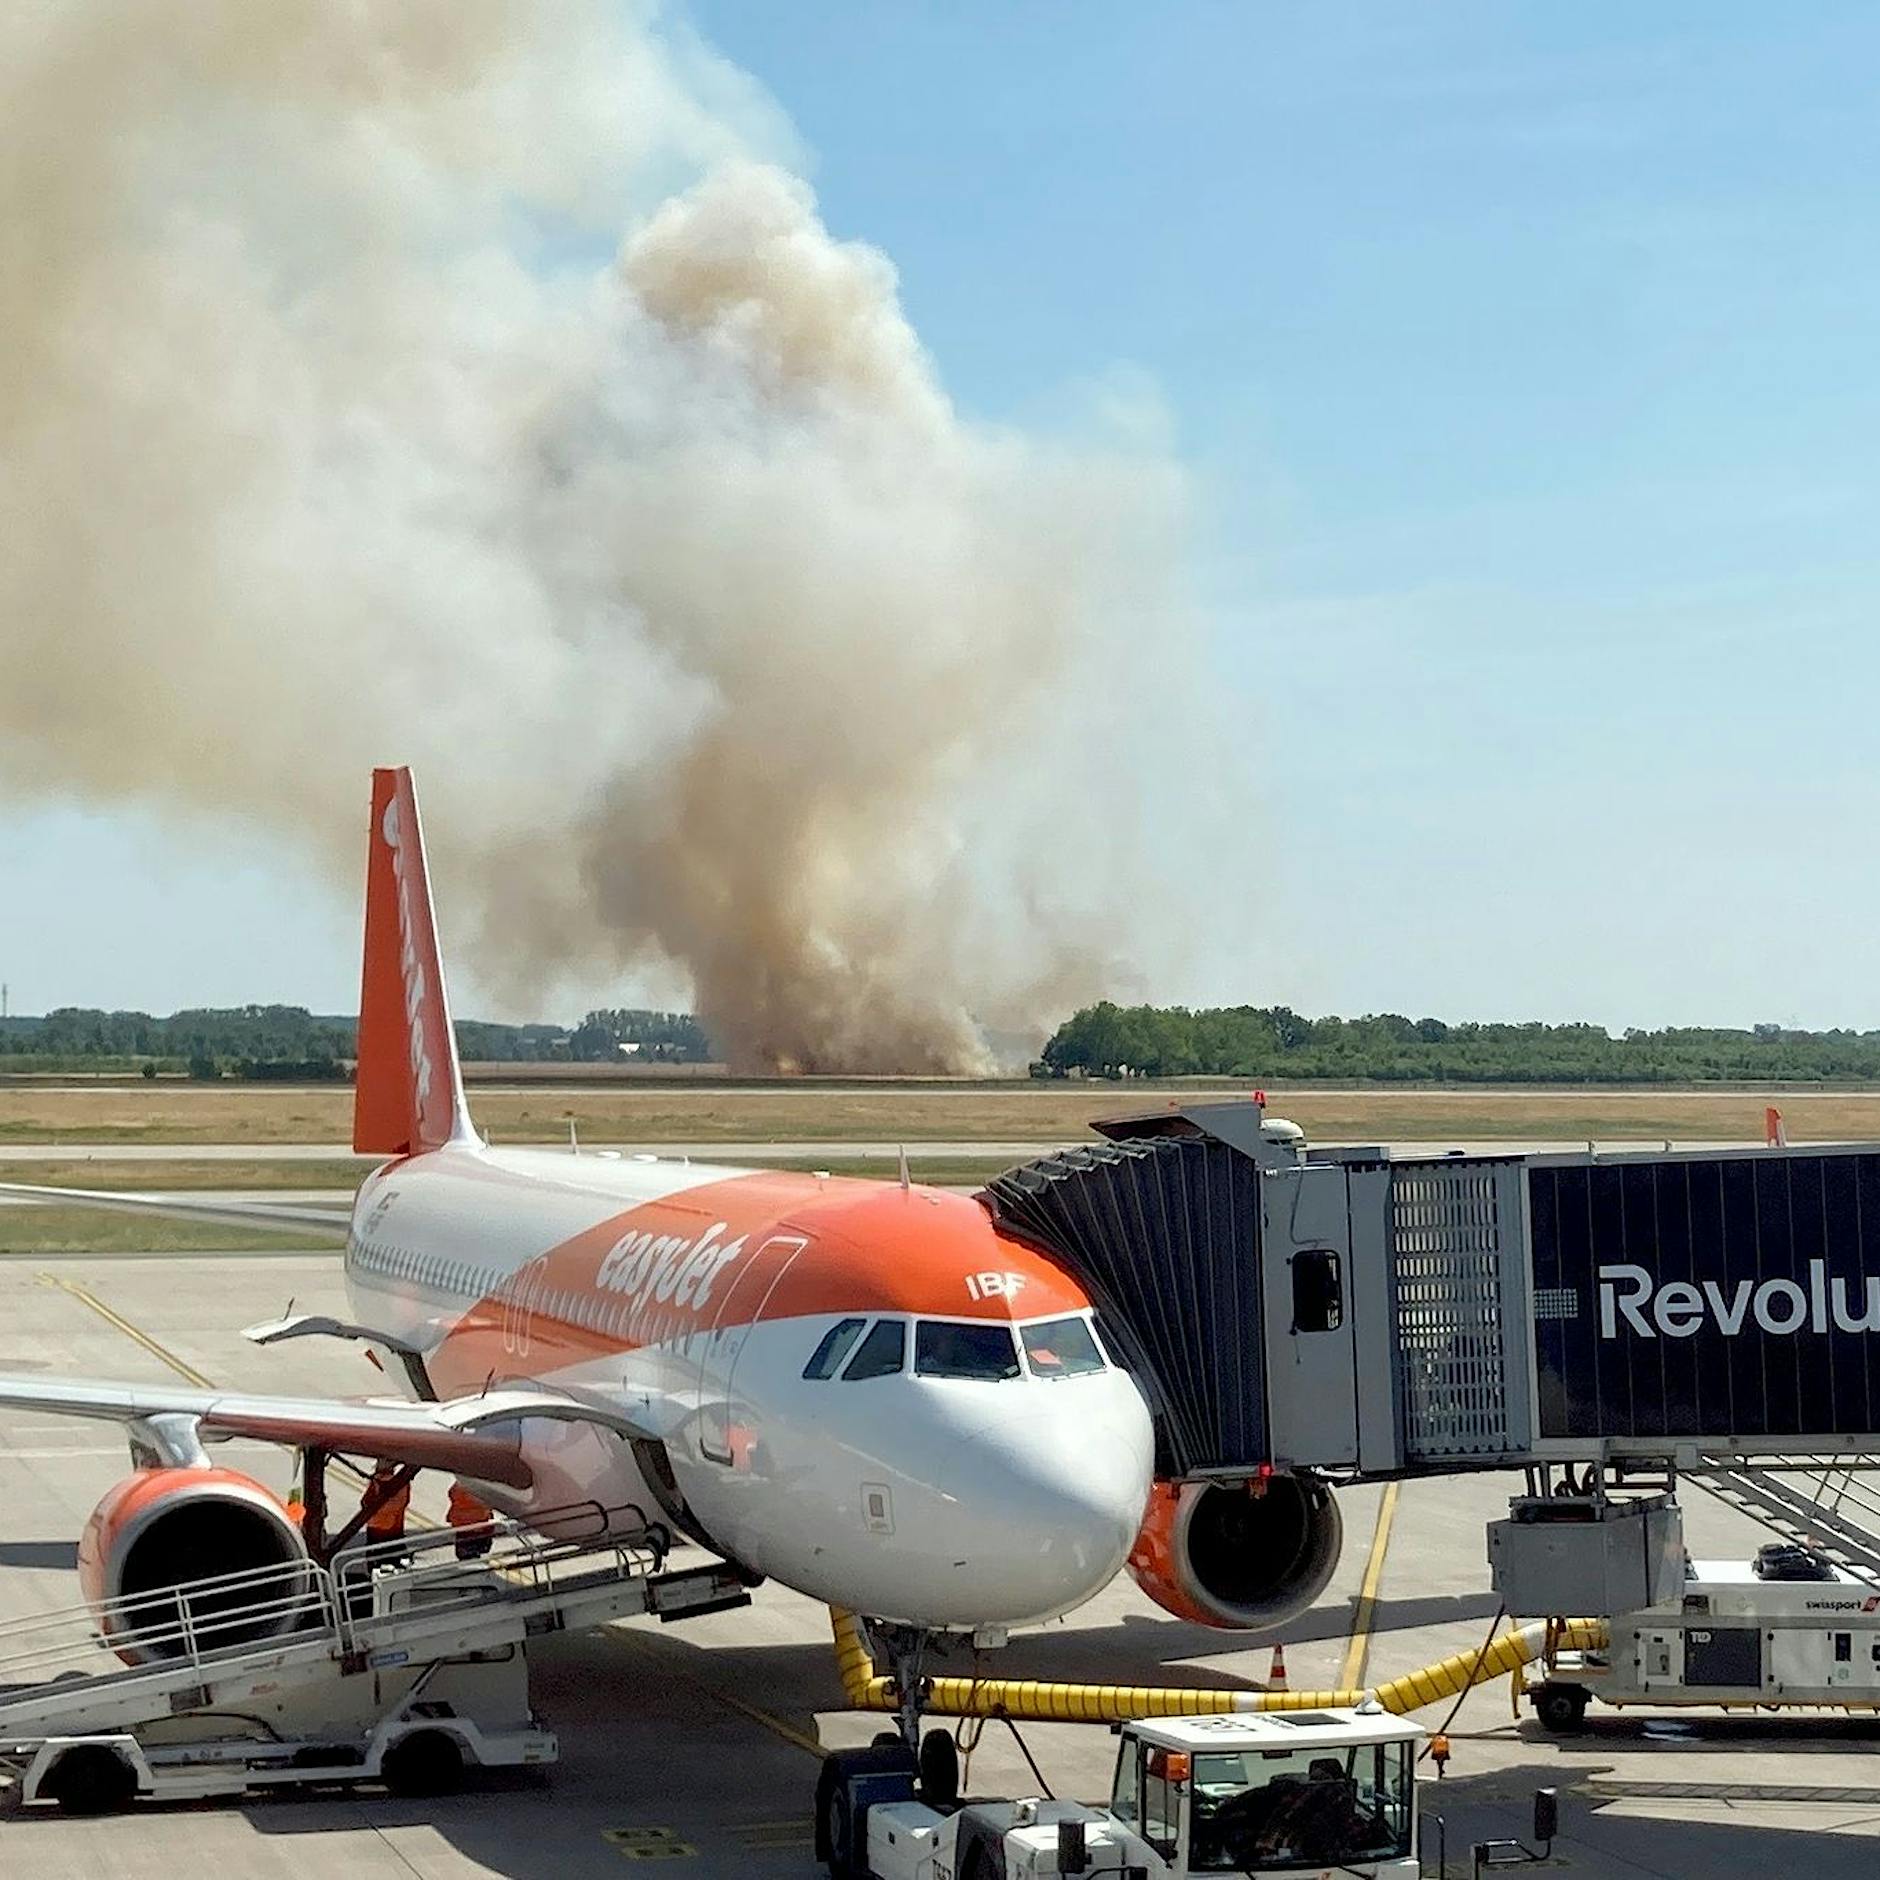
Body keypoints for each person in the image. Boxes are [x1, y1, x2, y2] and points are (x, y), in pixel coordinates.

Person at [446, 1482, 495, 1560]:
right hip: (476, 1525)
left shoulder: (462, 1486)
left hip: (464, 1525)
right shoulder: (481, 1490)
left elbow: (452, 1492)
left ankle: (470, 1555)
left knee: (467, 1549)